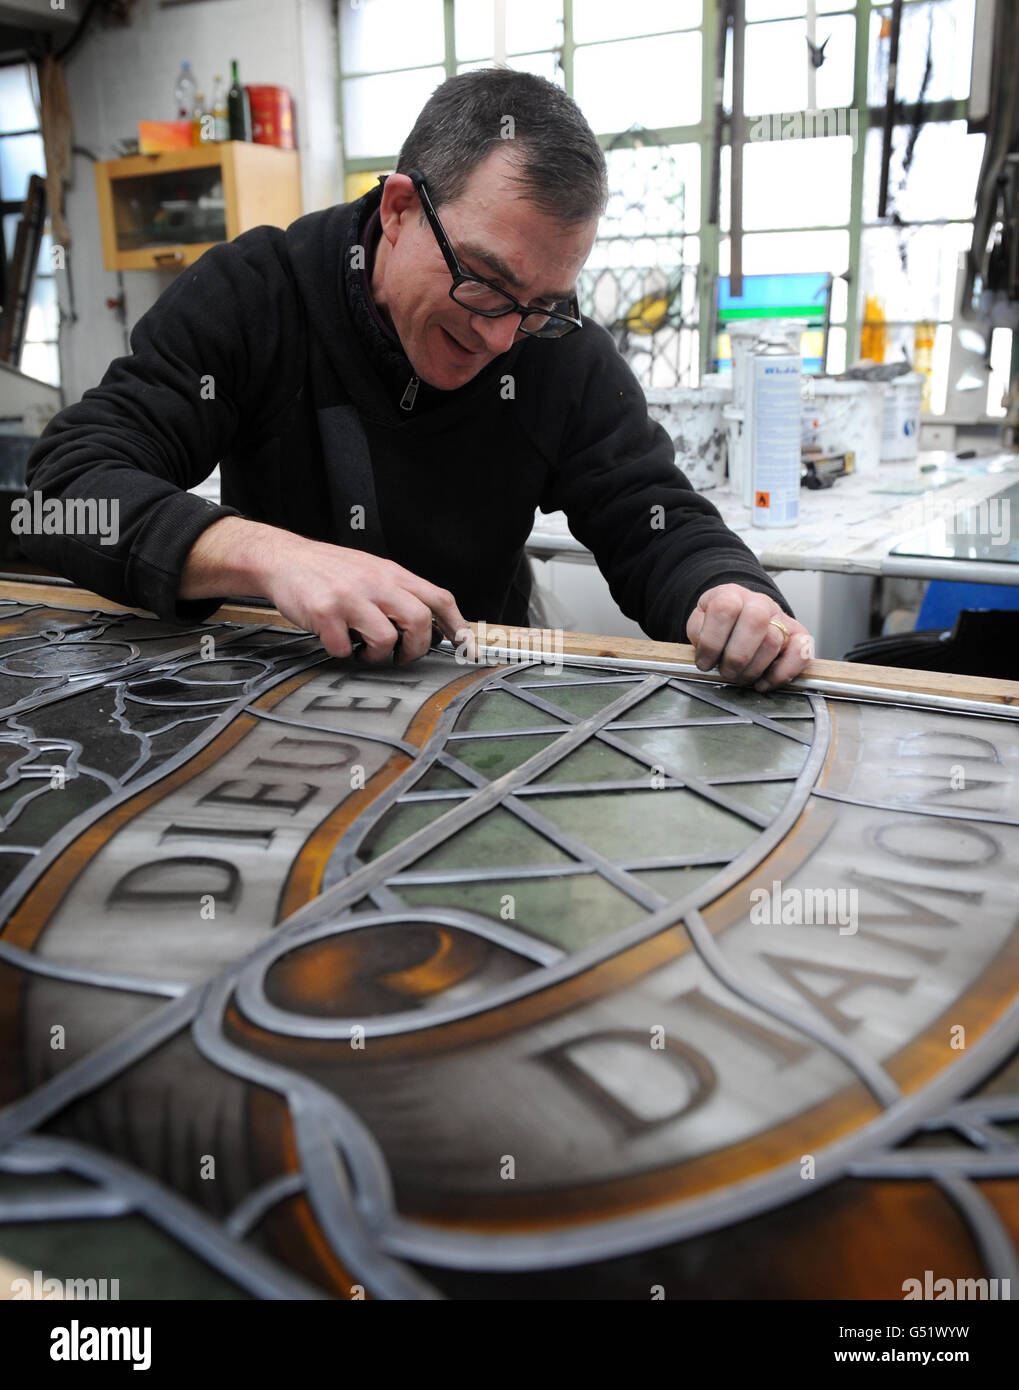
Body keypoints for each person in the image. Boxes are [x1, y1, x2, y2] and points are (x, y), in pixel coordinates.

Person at [23, 68, 811, 692]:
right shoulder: (258, 293)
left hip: (473, 694)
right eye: (483, 281)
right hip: (270, 685)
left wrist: (725, 593)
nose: (500, 335)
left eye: (539, 303)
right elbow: (63, 495)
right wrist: (275, 559)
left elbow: (651, 513)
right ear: (399, 207)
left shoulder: (555, 344)